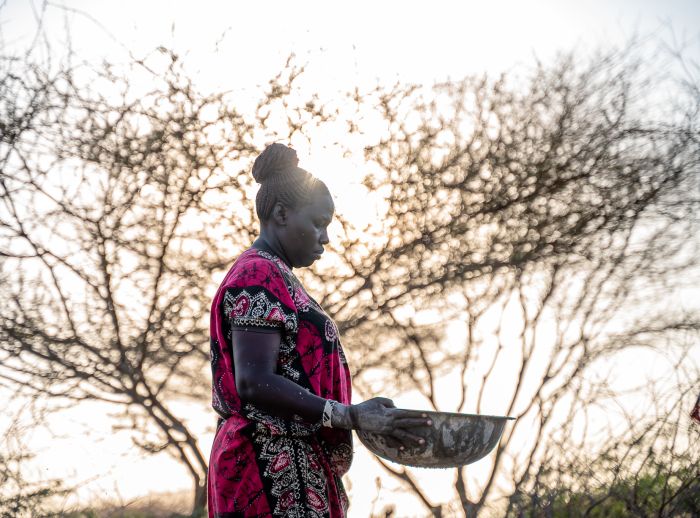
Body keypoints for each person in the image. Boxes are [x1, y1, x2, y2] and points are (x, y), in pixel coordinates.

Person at [208, 143, 431, 517]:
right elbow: (253, 381)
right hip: (266, 466)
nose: (325, 238)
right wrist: (349, 415)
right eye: (318, 222)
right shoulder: (257, 273)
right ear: (281, 213)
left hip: (297, 460)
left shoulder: (277, 275)